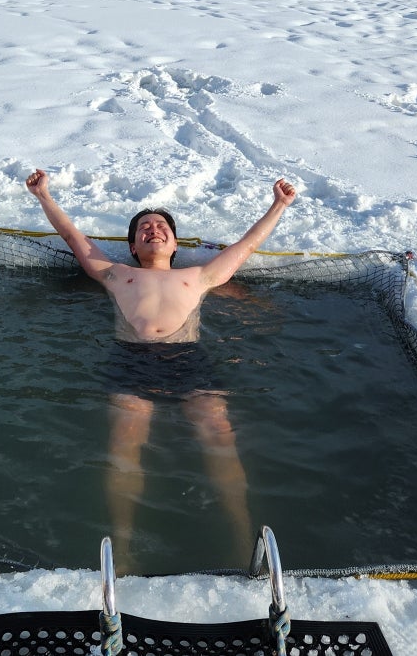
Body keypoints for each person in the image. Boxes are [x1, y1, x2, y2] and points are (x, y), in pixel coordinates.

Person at [25, 168, 296, 569]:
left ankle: (241, 534)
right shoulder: (117, 274)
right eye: (144, 228)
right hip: (132, 359)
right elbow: (73, 238)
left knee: (219, 433)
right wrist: (44, 195)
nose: (153, 230)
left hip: (188, 359)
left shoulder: (199, 276)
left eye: (161, 226)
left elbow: (246, 246)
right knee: (125, 440)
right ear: (133, 246)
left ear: (175, 242)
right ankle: (124, 544)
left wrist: (279, 205)